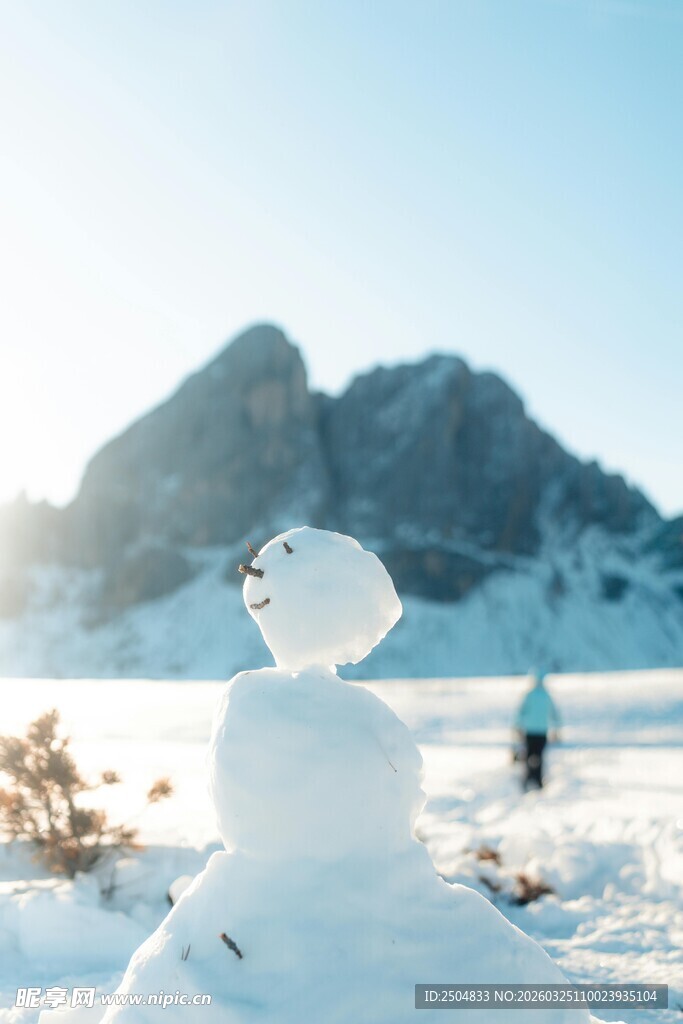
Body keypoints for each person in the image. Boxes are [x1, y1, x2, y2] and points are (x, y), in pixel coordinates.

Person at [514, 671, 560, 790]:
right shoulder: (546, 695)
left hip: (529, 731)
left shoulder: (529, 695)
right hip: (542, 732)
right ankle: (538, 780)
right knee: (539, 756)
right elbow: (554, 713)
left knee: (529, 755)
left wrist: (517, 726)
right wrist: (557, 728)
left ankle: (528, 778)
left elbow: (520, 712)